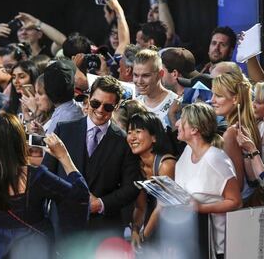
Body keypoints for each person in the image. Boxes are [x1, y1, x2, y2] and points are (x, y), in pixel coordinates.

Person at [0, 112, 90, 259]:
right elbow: (79, 197)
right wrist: (64, 156)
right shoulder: (36, 176)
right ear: (19, 142)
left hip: (0, 252)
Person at [42, 76, 141, 234]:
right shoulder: (64, 130)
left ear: (116, 106)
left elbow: (131, 187)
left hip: (102, 229)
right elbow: (46, 175)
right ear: (88, 100)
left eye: (107, 107)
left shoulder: (124, 142)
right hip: (63, 224)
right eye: (96, 103)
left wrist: (101, 203)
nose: (100, 110)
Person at [175, 102, 242, 259]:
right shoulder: (187, 151)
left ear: (194, 129)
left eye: (181, 120)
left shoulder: (216, 158)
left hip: (216, 247)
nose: (177, 123)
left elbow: (235, 201)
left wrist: (201, 208)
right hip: (191, 238)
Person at [127, 112, 176, 250]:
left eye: (138, 131)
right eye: (129, 132)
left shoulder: (166, 164)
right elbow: (140, 206)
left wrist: (143, 238)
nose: (132, 137)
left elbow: (163, 206)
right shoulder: (137, 165)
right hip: (154, 225)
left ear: (154, 137)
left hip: (174, 229)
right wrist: (135, 230)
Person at [211, 71, 261, 201]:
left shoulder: (232, 132)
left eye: (218, 95)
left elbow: (236, 184)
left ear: (235, 99)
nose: (212, 100)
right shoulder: (247, 124)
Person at [133, 49, 178, 127]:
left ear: (160, 74)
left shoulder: (175, 104)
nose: (139, 81)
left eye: (146, 75)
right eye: (136, 75)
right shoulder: (134, 103)